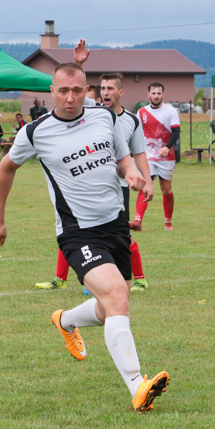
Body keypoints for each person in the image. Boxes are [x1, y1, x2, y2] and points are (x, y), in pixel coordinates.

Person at [0, 61, 169, 413]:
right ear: (51, 92)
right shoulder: (36, 132)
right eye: (63, 91)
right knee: (117, 295)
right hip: (77, 232)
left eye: (77, 90)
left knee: (110, 305)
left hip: (114, 224)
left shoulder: (104, 118)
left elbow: (123, 158)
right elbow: (6, 167)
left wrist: (133, 174)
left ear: (86, 90)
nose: (70, 98)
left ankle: (66, 319)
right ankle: (138, 386)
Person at [36, 70, 154, 294]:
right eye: (102, 89)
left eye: (110, 89)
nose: (105, 93)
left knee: (120, 237)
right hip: (86, 186)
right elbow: (73, 88)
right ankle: (66, 277)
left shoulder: (131, 121)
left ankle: (137, 278)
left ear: (120, 92)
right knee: (75, 229)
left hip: (119, 188)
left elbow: (138, 153)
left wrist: (147, 181)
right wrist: (78, 64)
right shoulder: (93, 113)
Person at [131, 82, 180, 231]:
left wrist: (167, 147)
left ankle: (168, 222)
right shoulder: (141, 112)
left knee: (166, 190)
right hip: (148, 156)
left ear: (163, 95)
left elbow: (176, 132)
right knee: (145, 185)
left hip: (166, 157)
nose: (156, 96)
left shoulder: (171, 111)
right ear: (148, 94)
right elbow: (135, 132)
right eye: (153, 93)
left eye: (159, 93)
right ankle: (137, 221)